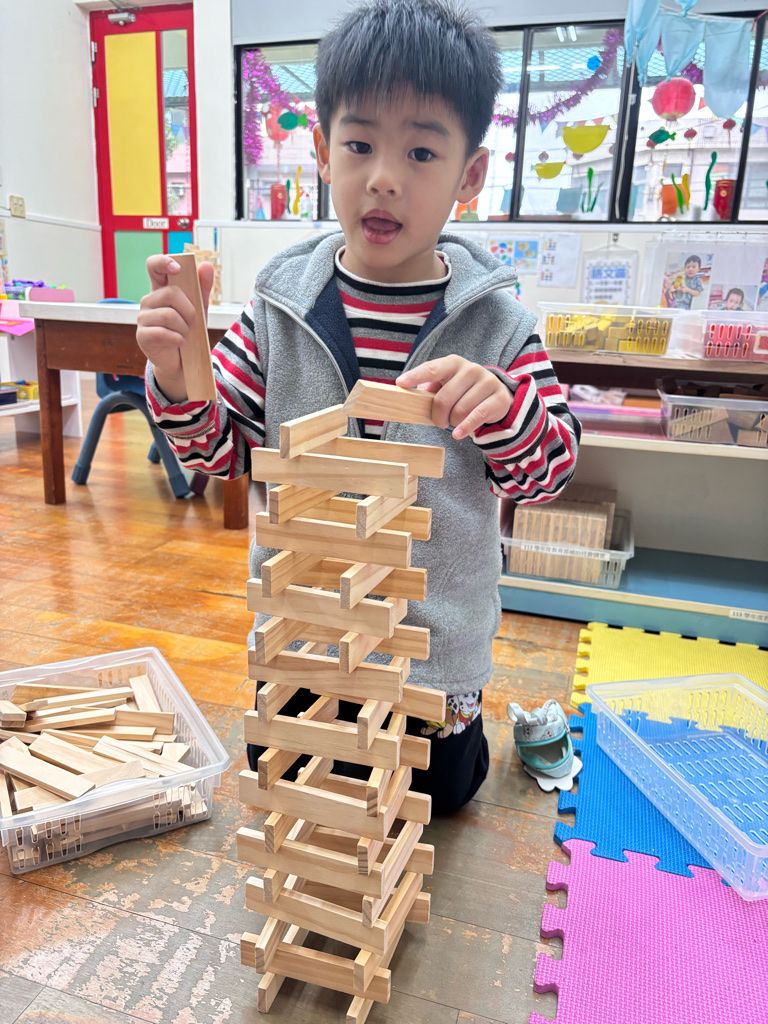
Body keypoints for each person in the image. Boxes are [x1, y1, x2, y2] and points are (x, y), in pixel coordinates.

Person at [136, 0, 580, 815]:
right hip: (304, 639)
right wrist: (176, 377)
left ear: (469, 175)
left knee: (441, 794)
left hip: (431, 654)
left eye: (421, 151)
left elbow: (548, 473)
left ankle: (462, 739)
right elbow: (218, 452)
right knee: (285, 776)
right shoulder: (279, 308)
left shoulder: (499, 325)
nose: (383, 177)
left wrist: (507, 410)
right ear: (321, 151)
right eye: (360, 144)